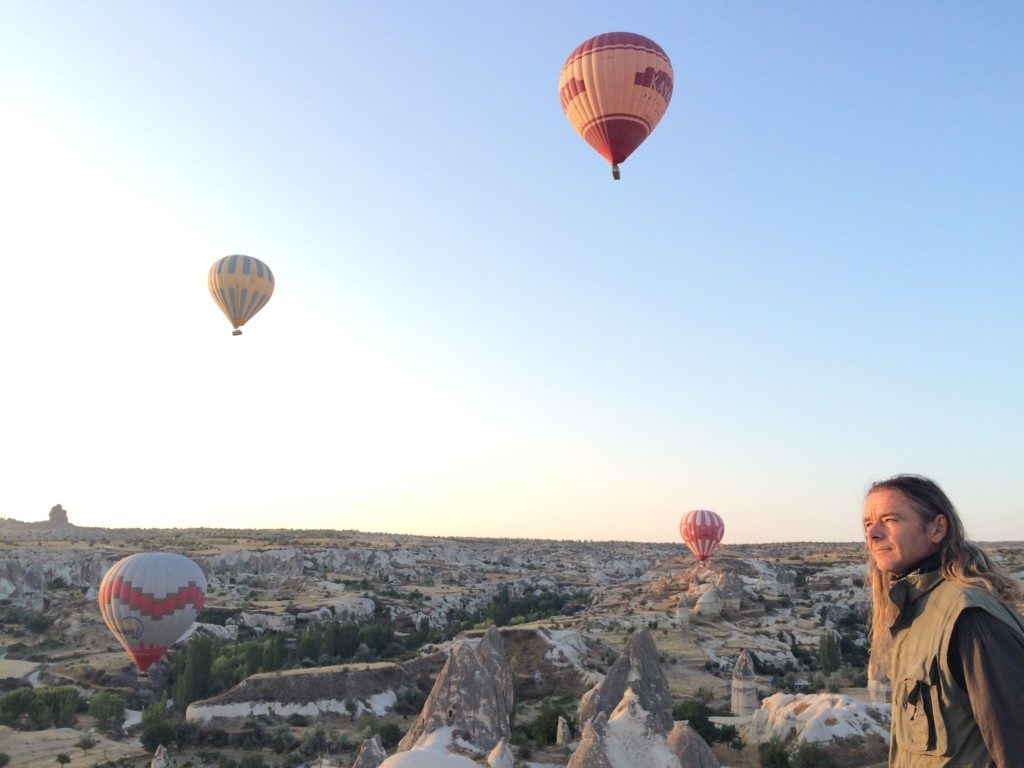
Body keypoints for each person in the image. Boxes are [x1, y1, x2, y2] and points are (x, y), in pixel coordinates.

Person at [863, 474, 1024, 767]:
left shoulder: (968, 617)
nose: (872, 533)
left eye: (890, 520)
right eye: (867, 523)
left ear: (937, 528)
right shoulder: (915, 612)